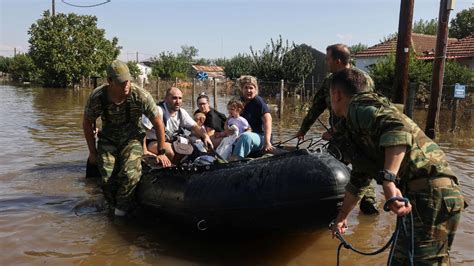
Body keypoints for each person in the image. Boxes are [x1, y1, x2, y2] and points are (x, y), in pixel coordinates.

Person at [329, 68, 465, 264]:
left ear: (337, 94)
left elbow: (396, 128)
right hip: (429, 195)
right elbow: (360, 179)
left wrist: (388, 181)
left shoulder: (358, 107)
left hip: (430, 194)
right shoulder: (357, 128)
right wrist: (342, 217)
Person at [296, 43, 378, 214]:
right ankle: (335, 203)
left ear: (338, 61)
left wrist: (335, 130)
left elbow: (364, 110)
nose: (326, 62)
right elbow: (317, 107)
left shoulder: (363, 80)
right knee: (332, 167)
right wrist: (303, 129)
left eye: (328, 59)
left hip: (358, 134)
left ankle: (367, 206)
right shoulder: (329, 82)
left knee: (363, 169)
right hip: (339, 138)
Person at [83, 59, 171, 217]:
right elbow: (87, 122)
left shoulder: (140, 95)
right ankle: (112, 207)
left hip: (132, 139)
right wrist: (92, 152)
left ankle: (120, 213)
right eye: (122, 83)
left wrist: (161, 151)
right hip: (108, 140)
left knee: (130, 174)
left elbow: (158, 123)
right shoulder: (98, 97)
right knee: (107, 177)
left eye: (128, 81)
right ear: (109, 81)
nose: (127, 86)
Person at [142, 87, 213, 164]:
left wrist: (205, 136)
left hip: (173, 141)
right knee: (171, 151)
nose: (178, 101)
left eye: (180, 98)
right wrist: (144, 151)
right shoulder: (157, 111)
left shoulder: (182, 112)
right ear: (166, 99)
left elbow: (195, 126)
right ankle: (172, 170)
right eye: (174, 98)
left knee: (196, 147)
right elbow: (141, 131)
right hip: (153, 143)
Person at [230, 75, 273, 160]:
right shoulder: (239, 101)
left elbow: (268, 120)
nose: (248, 90)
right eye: (246, 88)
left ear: (255, 89)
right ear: (242, 89)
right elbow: (231, 117)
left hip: (260, 136)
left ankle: (234, 161)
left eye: (251, 88)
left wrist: (267, 142)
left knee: (246, 137)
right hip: (241, 135)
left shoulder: (258, 101)